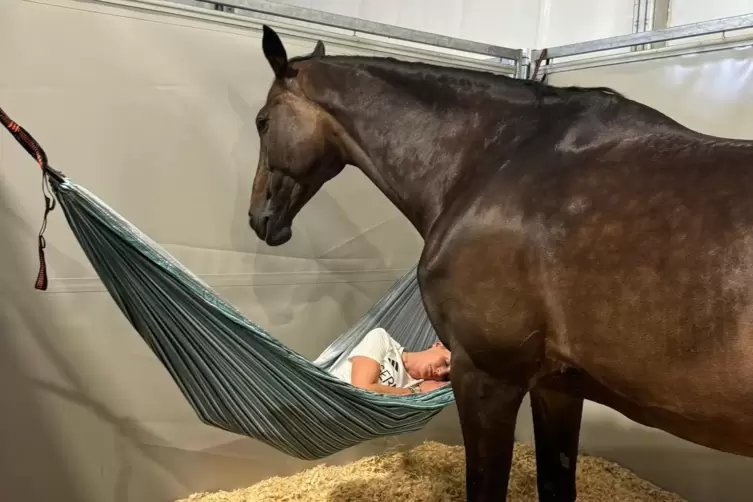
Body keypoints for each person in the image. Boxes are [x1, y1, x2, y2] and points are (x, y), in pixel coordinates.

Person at [328, 327, 451, 394]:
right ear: (437, 344)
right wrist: (413, 392)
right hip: (324, 395)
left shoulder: (423, 390)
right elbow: (361, 389)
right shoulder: (382, 340)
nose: (440, 372)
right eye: (446, 362)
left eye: (446, 377)